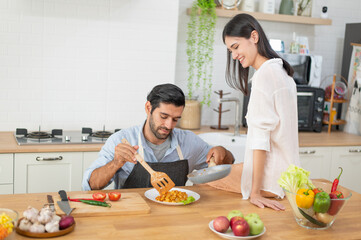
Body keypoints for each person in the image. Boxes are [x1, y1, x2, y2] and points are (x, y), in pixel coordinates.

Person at [207, 13, 301, 210]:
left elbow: (260, 139)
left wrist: (255, 192)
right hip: (288, 177)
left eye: (236, 47)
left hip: (271, 181)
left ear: (254, 37)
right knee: (222, 169)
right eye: (230, 50)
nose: (233, 55)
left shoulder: (264, 76)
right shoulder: (283, 73)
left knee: (208, 175)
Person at [82, 83, 234, 191]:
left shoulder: (189, 141)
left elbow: (225, 164)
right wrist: (115, 163)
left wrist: (223, 152)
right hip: (131, 218)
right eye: (164, 116)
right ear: (148, 108)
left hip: (173, 218)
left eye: (175, 119)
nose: (168, 125)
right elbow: (90, 185)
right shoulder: (121, 140)